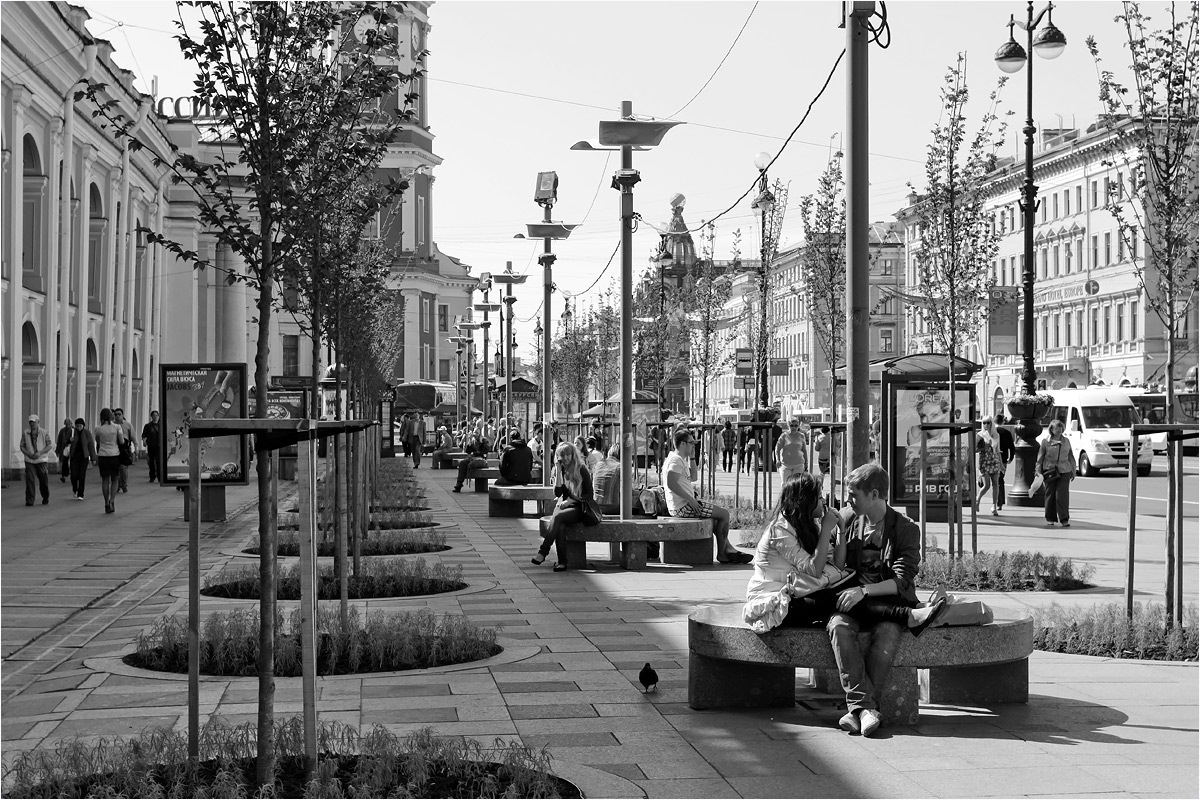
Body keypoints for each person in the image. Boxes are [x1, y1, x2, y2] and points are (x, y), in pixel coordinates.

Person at [744, 471, 947, 637]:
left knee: (849, 592)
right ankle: (909, 615)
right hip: (776, 603)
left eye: (853, 495)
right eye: (820, 497)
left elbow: (838, 565)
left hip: (798, 594)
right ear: (806, 501)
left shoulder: (810, 525)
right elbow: (814, 570)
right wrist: (826, 532)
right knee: (840, 598)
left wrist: (840, 530)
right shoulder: (780, 530)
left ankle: (912, 612)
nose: (825, 501)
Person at [826, 463, 925, 738]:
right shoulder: (848, 518)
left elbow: (901, 580)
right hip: (851, 604)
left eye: (853, 495)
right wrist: (841, 533)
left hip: (888, 607)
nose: (847, 500)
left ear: (873, 495)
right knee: (838, 626)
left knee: (887, 632)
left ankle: (858, 708)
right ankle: (866, 710)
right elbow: (837, 566)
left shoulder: (905, 528)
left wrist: (865, 591)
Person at [663, 428, 750, 564]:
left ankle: (728, 548)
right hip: (683, 506)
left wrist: (692, 457)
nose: (694, 445)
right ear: (683, 444)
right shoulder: (675, 460)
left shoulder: (680, 459)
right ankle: (722, 553)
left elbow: (693, 477)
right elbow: (671, 484)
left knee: (716, 521)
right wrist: (691, 500)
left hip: (684, 504)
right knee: (724, 514)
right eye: (691, 443)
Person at [533, 442, 593, 571]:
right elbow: (558, 493)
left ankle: (543, 552)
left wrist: (571, 501)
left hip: (579, 507)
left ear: (573, 455)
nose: (565, 458)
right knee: (560, 526)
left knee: (558, 516)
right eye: (562, 455)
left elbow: (589, 495)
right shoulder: (558, 469)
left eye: (568, 455)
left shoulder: (581, 469)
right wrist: (558, 472)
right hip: (563, 505)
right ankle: (562, 562)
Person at [1036, 418, 1077, 527]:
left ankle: (1064, 519)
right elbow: (1040, 457)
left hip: (1064, 470)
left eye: (1060, 428)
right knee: (1050, 494)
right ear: (1051, 429)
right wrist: (1038, 471)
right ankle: (1050, 518)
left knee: (1062, 495)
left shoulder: (1066, 441)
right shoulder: (1046, 441)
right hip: (1050, 469)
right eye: (1055, 428)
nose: (1058, 430)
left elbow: (1070, 455)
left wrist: (1073, 469)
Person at [93, 408, 126, 514]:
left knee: (105, 480)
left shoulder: (98, 429)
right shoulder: (117, 427)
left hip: (102, 455)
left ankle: (106, 502)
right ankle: (112, 500)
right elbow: (121, 441)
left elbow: (98, 441)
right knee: (115, 479)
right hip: (114, 455)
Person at [20, 414, 54, 506]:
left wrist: (40, 452)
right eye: (30, 422)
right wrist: (28, 454)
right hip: (29, 460)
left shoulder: (44, 432)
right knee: (30, 479)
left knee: (43, 479)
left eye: (33, 422)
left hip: (41, 460)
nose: (32, 424)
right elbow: (22, 446)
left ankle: (45, 496)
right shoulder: (26, 433)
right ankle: (30, 500)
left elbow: (50, 445)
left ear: (38, 422)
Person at [976, 418, 1004, 515]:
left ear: (991, 423)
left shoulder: (996, 435)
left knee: (996, 484)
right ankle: (977, 500)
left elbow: (997, 450)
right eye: (984, 423)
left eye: (988, 423)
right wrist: (983, 447)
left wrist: (1001, 465)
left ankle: (994, 506)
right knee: (986, 485)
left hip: (994, 460)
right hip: (984, 461)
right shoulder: (980, 435)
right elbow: (974, 449)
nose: (986, 425)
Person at [68, 417, 95, 500]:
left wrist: (93, 458)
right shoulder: (72, 432)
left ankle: (81, 494)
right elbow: (64, 442)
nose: (79, 428)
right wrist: (69, 440)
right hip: (74, 456)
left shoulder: (87, 433)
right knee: (74, 475)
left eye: (80, 426)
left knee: (82, 475)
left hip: (84, 457)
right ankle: (75, 488)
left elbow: (91, 445)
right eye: (77, 426)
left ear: (83, 426)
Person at [774, 418, 808, 485]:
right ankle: (786, 495)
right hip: (786, 465)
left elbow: (804, 450)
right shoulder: (784, 436)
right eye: (792, 425)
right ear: (788, 426)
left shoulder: (801, 436)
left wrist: (806, 462)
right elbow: (777, 449)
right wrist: (777, 460)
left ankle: (795, 496)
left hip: (798, 464)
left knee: (797, 485)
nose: (794, 427)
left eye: (796, 425)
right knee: (785, 484)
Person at [592, 443, 623, 514]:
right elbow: (627, 490)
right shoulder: (620, 467)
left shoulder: (598, 465)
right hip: (613, 506)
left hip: (596, 505)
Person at [994, 413, 1015, 511]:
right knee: (1000, 479)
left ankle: (997, 501)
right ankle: (1000, 502)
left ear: (994, 421)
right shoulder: (1007, 433)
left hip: (993, 458)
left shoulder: (992, 432)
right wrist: (1011, 458)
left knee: (994, 480)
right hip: (1003, 459)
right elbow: (1012, 446)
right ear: (1002, 421)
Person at [113, 408, 135, 493]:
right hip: (114, 448)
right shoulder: (112, 425)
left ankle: (124, 484)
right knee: (116, 468)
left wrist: (135, 448)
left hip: (125, 449)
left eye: (119, 414)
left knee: (123, 468)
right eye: (115, 414)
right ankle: (117, 485)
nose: (117, 416)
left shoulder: (128, 425)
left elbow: (133, 436)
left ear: (122, 415)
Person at [141, 410, 161, 482]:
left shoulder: (161, 425)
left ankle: (160, 477)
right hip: (151, 445)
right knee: (151, 462)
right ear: (151, 417)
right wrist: (144, 441)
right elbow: (144, 435)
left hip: (159, 446)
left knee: (159, 462)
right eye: (154, 415)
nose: (155, 417)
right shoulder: (148, 426)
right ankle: (152, 476)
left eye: (156, 415)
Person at [55, 418, 74, 483]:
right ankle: (63, 475)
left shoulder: (74, 430)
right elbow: (59, 441)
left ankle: (71, 474)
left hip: (71, 448)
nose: (68, 425)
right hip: (64, 448)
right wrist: (57, 450)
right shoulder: (62, 431)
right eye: (66, 424)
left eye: (69, 424)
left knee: (71, 462)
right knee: (63, 462)